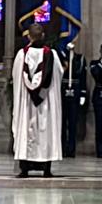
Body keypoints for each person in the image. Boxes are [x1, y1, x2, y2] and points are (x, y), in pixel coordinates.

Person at [12, 24, 63, 177]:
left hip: (28, 103)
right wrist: (42, 91)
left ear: (29, 37)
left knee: (27, 129)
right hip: (46, 101)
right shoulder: (51, 54)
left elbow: (16, 76)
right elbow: (59, 74)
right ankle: (46, 168)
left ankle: (25, 168)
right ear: (42, 36)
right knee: (45, 130)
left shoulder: (22, 55)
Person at [57, 42, 87, 158]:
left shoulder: (80, 59)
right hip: (63, 92)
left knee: (73, 122)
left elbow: (82, 77)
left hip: (75, 92)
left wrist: (83, 94)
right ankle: (63, 147)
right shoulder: (61, 58)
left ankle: (71, 149)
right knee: (63, 122)